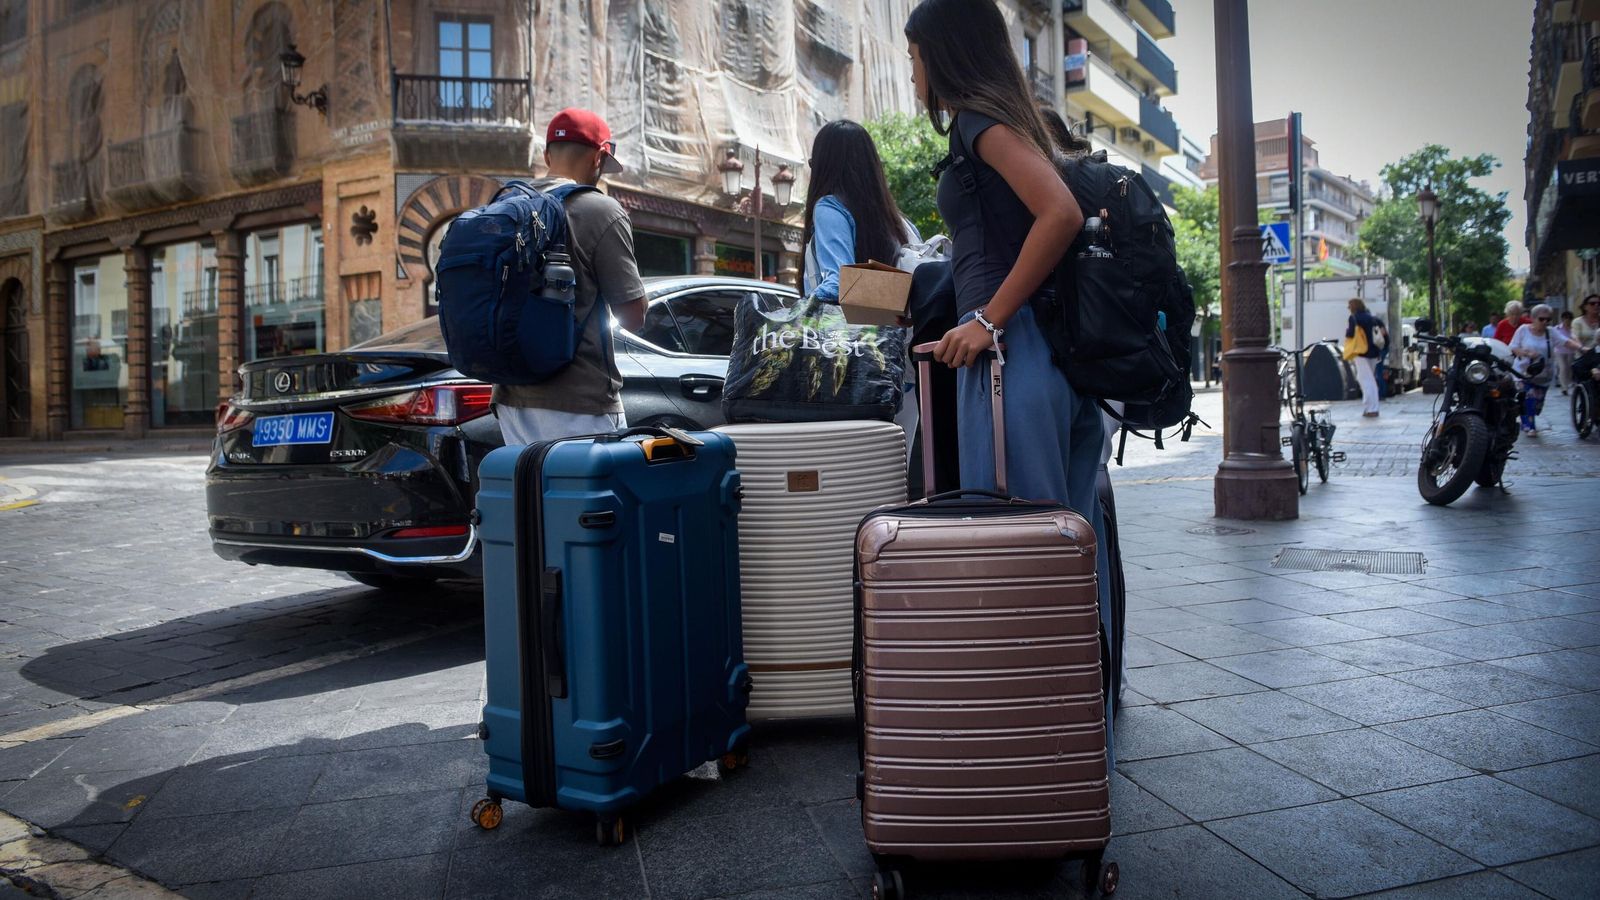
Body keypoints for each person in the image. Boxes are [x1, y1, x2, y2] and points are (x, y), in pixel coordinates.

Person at [906, 0, 1109, 745]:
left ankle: (1038, 743)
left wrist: (986, 317)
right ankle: (1070, 747)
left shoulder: (977, 127)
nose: (914, 72)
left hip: (1009, 360)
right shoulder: (1000, 125)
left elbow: (1057, 212)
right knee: (1063, 543)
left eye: (917, 56)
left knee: (1027, 551)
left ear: (947, 53)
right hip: (1041, 357)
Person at [492, 108, 647, 445]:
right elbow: (632, 317)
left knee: (531, 497)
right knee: (587, 496)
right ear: (600, 157)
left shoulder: (505, 204)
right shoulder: (601, 210)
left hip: (510, 400)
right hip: (581, 401)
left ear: (547, 155)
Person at [800, 118, 920, 446]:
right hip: (902, 368)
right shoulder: (900, 223)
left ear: (825, 164)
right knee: (896, 470)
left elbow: (839, 286)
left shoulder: (830, 208)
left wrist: (798, 312)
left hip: (850, 365)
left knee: (853, 475)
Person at [1509, 303, 1581, 435]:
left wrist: (1581, 348)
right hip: (1523, 372)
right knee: (1528, 398)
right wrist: (1525, 352)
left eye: (1548, 319)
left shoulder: (1551, 332)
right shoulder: (1523, 330)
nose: (1545, 322)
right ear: (1533, 318)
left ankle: (1527, 419)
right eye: (1541, 319)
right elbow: (1513, 347)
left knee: (1537, 405)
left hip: (1543, 374)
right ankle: (1530, 426)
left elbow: (1566, 342)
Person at [1345, 298, 1383, 417]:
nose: (1348, 308)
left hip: (1361, 351)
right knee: (1370, 379)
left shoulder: (1354, 318)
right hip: (1374, 352)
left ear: (1353, 307)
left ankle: (1371, 408)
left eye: (1349, 306)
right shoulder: (1372, 317)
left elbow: (1350, 334)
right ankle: (1370, 407)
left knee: (1365, 380)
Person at [1555, 310, 1577, 394]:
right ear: (1562, 319)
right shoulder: (1557, 328)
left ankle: (1567, 383)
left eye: (1569, 319)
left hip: (1570, 351)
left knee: (1569, 368)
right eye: (1565, 319)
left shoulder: (1573, 329)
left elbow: (1575, 338)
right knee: (1563, 367)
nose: (1567, 321)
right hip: (1559, 351)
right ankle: (1564, 387)